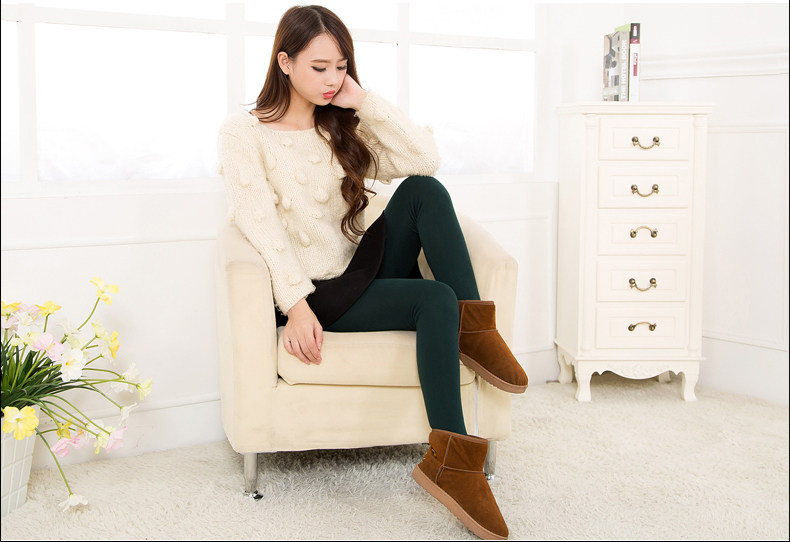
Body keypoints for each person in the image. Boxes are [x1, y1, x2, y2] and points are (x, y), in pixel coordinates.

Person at [217, 5, 528, 540]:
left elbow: (424, 159)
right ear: (284, 62)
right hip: (319, 293)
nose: (332, 79)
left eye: (341, 67)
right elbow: (259, 224)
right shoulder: (243, 133)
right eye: (319, 67)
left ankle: (476, 330)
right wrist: (295, 305)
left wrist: (364, 102)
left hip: (361, 265)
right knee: (436, 299)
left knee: (424, 191)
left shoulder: (340, 122)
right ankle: (454, 464)